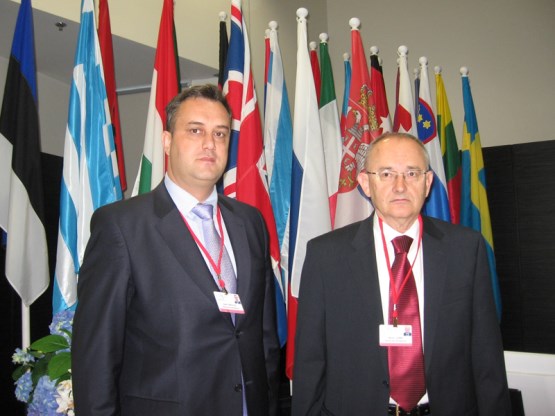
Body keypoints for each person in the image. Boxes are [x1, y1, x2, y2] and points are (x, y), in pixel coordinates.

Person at [72, 84, 280, 416]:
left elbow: (263, 338)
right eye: (195, 130)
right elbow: (95, 357)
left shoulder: (250, 222)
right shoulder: (122, 227)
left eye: (221, 134)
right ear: (167, 141)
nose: (210, 144)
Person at [291, 132, 511, 415]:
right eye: (386, 174)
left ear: (428, 182)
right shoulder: (326, 256)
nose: (400, 186)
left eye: (412, 173)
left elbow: (487, 357)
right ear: (365, 183)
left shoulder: (467, 249)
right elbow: (310, 360)